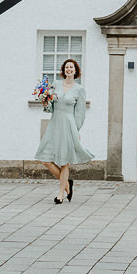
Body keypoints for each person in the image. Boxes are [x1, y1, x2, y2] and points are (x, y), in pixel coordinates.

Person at [35, 58, 93, 204]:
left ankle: (61, 193)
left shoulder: (79, 90)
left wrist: (76, 130)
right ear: (63, 70)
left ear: (75, 70)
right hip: (54, 124)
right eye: (67, 67)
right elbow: (49, 108)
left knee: (64, 162)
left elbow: (80, 113)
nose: (69, 69)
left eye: (71, 67)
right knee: (45, 159)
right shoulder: (56, 84)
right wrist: (45, 100)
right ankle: (67, 184)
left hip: (69, 126)